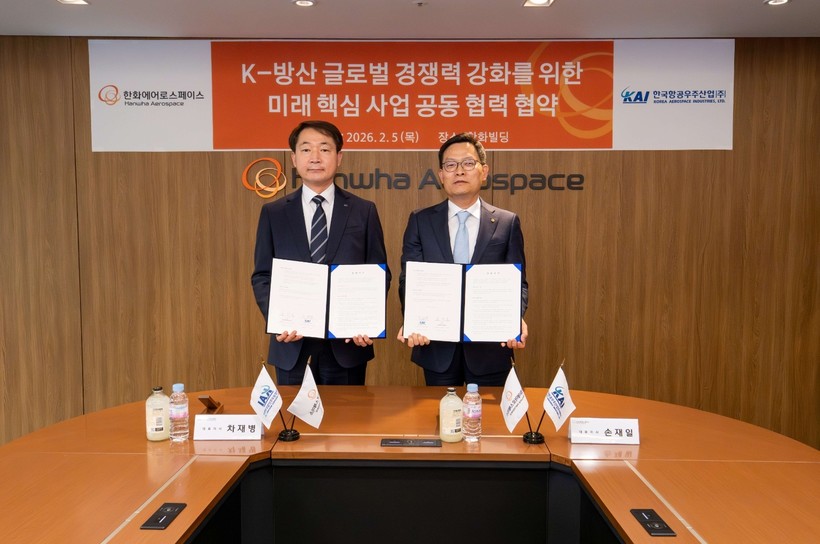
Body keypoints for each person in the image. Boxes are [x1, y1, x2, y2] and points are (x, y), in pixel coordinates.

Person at [252, 120, 391, 385]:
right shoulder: (274, 213)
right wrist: (278, 319)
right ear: (294, 158)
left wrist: (365, 321)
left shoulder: (364, 211)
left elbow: (378, 273)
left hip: (347, 345)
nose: (315, 157)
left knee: (347, 412)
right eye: (306, 149)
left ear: (339, 157)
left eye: (325, 149)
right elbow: (262, 275)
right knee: (293, 413)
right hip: (291, 343)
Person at [397, 133, 528, 387]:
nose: (459, 171)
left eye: (468, 163)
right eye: (450, 165)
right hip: (436, 345)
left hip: (490, 347)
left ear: (484, 171)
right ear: (441, 175)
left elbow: (519, 283)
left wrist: (514, 318)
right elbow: (409, 280)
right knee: (441, 411)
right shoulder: (420, 221)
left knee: (489, 414)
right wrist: (413, 319)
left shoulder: (506, 222)